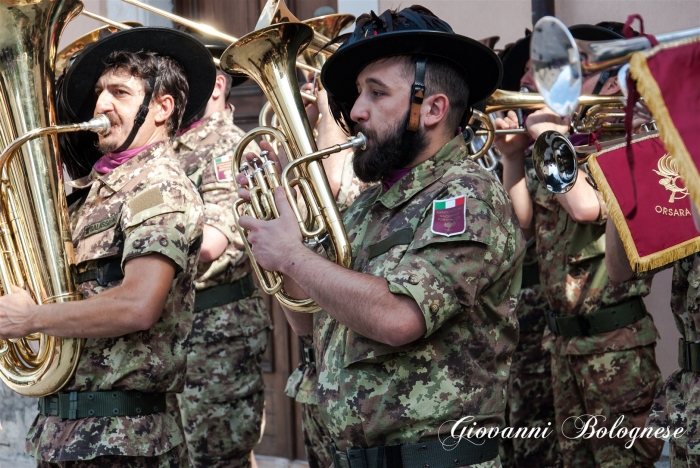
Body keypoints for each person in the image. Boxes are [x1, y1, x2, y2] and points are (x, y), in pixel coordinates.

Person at [238, 6, 524, 467]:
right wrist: (277, 233)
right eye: (357, 94)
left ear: (432, 109)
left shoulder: (465, 195)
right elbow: (309, 322)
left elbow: (399, 317)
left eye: (376, 93)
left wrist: (292, 256)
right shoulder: (369, 205)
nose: (355, 111)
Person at [0, 27, 215, 467]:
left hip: (127, 443)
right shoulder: (92, 192)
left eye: (119, 92)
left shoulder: (161, 189)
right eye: (100, 92)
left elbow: (137, 304)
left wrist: (34, 318)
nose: (101, 105)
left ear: (161, 106)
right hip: (63, 437)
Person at [496, 22, 663, 468]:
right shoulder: (558, 142)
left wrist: (548, 138)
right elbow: (524, 224)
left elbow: (587, 209)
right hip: (562, 344)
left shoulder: (627, 134)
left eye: (574, 72)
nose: (554, 84)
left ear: (609, 82)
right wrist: (513, 156)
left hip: (615, 347)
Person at [171, 32, 269, 468]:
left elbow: (213, 242)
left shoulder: (227, 146)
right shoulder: (168, 147)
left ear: (216, 86)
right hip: (176, 329)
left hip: (217, 332)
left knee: (219, 456)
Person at [284, 78, 372, 468]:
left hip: (367, 387)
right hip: (316, 375)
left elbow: (331, 182)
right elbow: (302, 317)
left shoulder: (368, 164)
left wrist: (327, 111)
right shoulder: (304, 162)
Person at [496, 33, 562, 468]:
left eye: (532, 71)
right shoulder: (528, 142)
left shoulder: (567, 143)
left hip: (556, 314)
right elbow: (521, 222)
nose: (521, 79)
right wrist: (511, 158)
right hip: (534, 319)